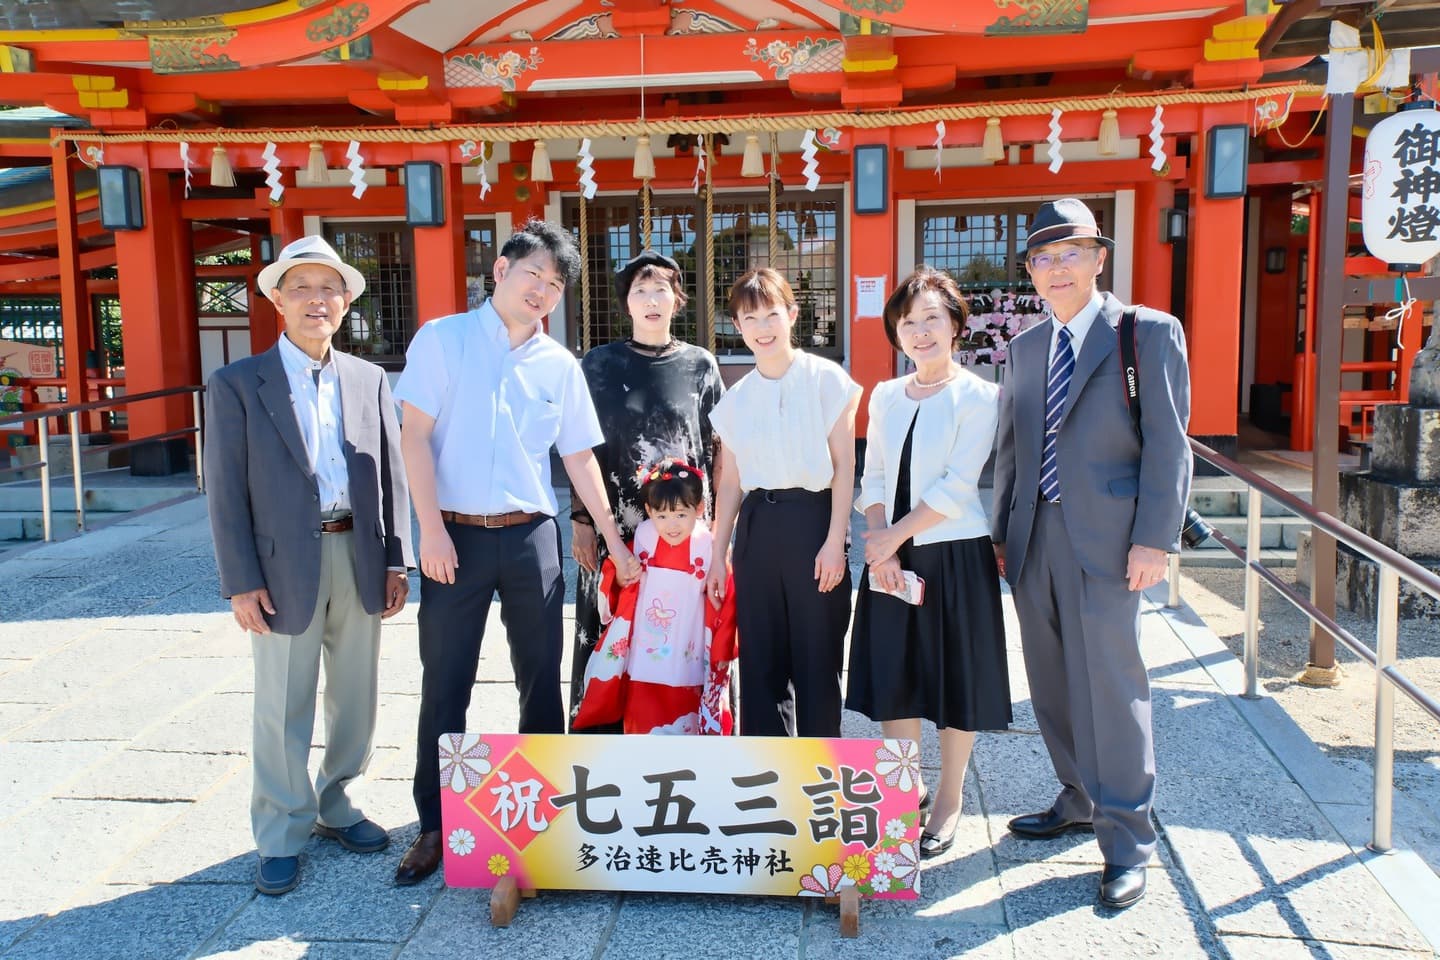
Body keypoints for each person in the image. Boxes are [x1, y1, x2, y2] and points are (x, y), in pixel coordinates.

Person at [391, 219, 640, 885]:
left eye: (555, 285)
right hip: (455, 536)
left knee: (540, 676)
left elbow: (579, 457)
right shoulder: (443, 339)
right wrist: (429, 531)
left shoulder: (558, 364)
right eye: (533, 274)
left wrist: (613, 539)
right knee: (446, 679)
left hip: (532, 536)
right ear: (500, 270)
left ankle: (542, 816)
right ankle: (435, 823)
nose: (542, 290)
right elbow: (414, 437)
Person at [991, 198, 1192, 909]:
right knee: (1049, 681)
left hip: (1111, 540)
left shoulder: (1145, 333)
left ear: (1099, 258)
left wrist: (1155, 538)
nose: (1056, 269)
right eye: (1042, 259)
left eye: (1070, 254)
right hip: (1034, 537)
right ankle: (1077, 796)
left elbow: (1169, 443)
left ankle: (1128, 840)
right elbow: (1011, 452)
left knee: (1112, 685)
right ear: (1030, 272)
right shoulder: (1024, 349)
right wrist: (1000, 535)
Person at [205, 235, 413, 897]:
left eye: (329, 288)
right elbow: (225, 491)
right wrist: (241, 581)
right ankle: (280, 829)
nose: (316, 300)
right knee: (282, 701)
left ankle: (337, 801)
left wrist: (398, 559)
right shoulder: (238, 384)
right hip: (279, 564)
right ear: (277, 299)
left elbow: (391, 475)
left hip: (359, 552)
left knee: (355, 693)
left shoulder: (368, 379)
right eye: (301, 288)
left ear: (346, 301)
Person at [846, 268, 1011, 860]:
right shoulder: (886, 395)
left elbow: (958, 485)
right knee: (895, 670)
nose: (920, 332)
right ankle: (903, 785)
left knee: (954, 675)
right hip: (890, 549)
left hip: (953, 553)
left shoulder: (981, 396)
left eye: (932, 319)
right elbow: (873, 474)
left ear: (956, 326)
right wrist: (880, 541)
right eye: (908, 322)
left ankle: (949, 797)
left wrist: (890, 539)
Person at [568, 250, 725, 732]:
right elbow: (580, 448)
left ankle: (689, 741)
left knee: (682, 641)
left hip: (685, 540)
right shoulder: (598, 365)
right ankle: (601, 747)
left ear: (678, 300)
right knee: (612, 636)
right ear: (626, 303)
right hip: (617, 532)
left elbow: (719, 448)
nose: (652, 301)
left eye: (662, 290)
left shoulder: (700, 366)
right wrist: (582, 522)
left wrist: (720, 534)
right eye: (641, 291)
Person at [706, 268, 861, 737]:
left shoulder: (826, 380)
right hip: (758, 529)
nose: (763, 327)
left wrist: (835, 541)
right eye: (750, 318)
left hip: (813, 522)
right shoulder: (736, 400)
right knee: (761, 660)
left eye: (771, 314)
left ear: (792, 315)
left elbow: (845, 467)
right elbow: (730, 484)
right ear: (737, 326)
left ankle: (819, 766)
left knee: (817, 656)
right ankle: (768, 769)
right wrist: (718, 554)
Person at [572, 457, 737, 735]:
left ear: (699, 508)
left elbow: (725, 597)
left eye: (680, 515)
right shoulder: (643, 539)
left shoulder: (707, 546)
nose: (672, 525)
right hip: (644, 655)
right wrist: (622, 577)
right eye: (662, 516)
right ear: (648, 510)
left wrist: (722, 646)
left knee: (687, 723)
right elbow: (617, 577)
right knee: (642, 722)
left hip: (690, 650)